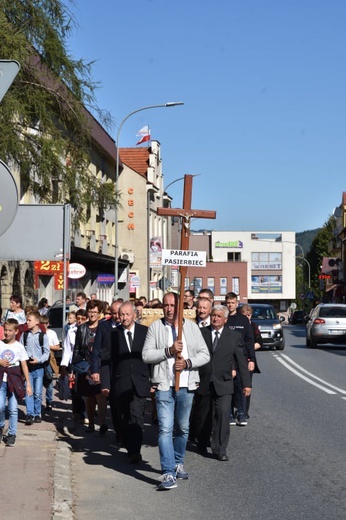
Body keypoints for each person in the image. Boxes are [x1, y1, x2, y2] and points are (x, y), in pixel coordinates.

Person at [142, 292, 210, 491]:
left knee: (182, 427)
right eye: (166, 305)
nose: (169, 309)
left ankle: (179, 462)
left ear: (180, 307)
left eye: (173, 305)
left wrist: (187, 363)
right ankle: (168, 472)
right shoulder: (156, 327)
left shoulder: (191, 327)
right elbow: (146, 355)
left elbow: (204, 354)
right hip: (164, 385)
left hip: (186, 385)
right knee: (165, 428)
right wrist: (168, 351)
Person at [196, 305, 252, 460]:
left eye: (219, 316)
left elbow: (241, 361)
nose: (215, 318)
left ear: (225, 319)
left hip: (224, 382)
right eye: (213, 315)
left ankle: (220, 449)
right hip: (204, 381)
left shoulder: (233, 336)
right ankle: (202, 441)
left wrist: (247, 384)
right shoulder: (201, 333)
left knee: (222, 413)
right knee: (204, 415)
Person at [100, 301, 150, 463]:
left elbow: (152, 359)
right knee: (124, 417)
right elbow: (106, 360)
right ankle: (128, 443)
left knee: (137, 416)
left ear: (134, 315)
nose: (124, 317)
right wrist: (105, 384)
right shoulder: (113, 334)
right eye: (121, 314)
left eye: (128, 314)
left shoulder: (145, 332)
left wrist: (154, 381)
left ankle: (135, 450)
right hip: (120, 383)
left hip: (140, 381)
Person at [72, 300, 107, 433]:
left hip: (100, 366)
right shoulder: (82, 328)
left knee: (101, 395)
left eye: (95, 312)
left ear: (100, 313)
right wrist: (74, 366)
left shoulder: (104, 327)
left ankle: (102, 423)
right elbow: (77, 349)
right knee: (89, 397)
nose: (92, 314)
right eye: (90, 311)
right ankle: (91, 424)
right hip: (86, 367)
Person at [90, 300, 122, 437]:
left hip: (124, 370)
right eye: (113, 313)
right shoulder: (104, 327)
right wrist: (95, 370)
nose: (116, 316)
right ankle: (118, 431)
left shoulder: (129, 327)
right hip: (108, 369)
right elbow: (96, 350)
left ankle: (124, 430)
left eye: (118, 313)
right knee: (113, 401)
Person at [0, 319, 33, 446]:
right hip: (1, 381)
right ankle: (1, 425)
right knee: (1, 406)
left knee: (13, 409)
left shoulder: (19, 347)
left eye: (10, 330)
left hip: (14, 381)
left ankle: (12, 433)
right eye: (5, 330)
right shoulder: (0, 344)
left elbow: (24, 366)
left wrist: (28, 384)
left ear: (16, 331)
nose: (7, 333)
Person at [225, 292, 255, 426]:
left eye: (232, 303)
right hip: (227, 357)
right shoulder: (224, 319)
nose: (230, 305)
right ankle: (230, 413)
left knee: (242, 385)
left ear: (237, 303)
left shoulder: (243, 320)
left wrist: (252, 359)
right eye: (228, 303)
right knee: (229, 386)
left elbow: (249, 340)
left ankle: (241, 412)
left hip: (241, 357)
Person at [20, 310, 50, 425]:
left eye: (29, 320)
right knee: (28, 390)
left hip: (39, 368)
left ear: (37, 322)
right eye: (26, 320)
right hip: (27, 368)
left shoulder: (43, 336)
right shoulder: (25, 334)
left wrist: (39, 359)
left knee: (37, 392)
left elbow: (46, 352)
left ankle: (37, 413)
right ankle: (30, 413)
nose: (27, 322)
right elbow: (21, 348)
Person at [240, 304, 261, 417]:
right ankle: (238, 408)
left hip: (249, 359)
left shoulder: (253, 326)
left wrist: (248, 347)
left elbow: (259, 342)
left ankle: (244, 411)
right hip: (238, 358)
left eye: (248, 315)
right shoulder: (238, 326)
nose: (247, 317)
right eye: (244, 315)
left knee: (247, 385)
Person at [39, 315, 61, 411]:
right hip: (39, 360)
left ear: (48, 324)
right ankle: (38, 403)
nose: (44, 325)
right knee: (38, 383)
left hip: (49, 360)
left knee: (49, 382)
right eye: (42, 323)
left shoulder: (52, 333)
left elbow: (57, 347)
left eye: (45, 324)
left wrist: (47, 346)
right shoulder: (37, 333)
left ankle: (49, 402)